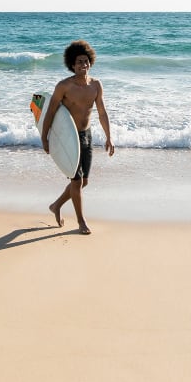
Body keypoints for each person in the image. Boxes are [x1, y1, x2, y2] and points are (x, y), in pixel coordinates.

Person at [40, 39, 114, 235]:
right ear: (72, 65)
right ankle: (81, 221)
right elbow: (50, 113)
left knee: (84, 181)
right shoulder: (64, 86)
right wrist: (45, 137)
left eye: (86, 61)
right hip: (69, 138)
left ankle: (56, 205)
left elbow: (102, 112)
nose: (84, 65)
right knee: (76, 181)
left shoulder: (96, 85)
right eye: (79, 62)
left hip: (87, 136)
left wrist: (109, 137)